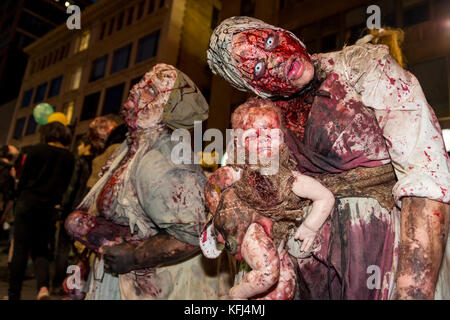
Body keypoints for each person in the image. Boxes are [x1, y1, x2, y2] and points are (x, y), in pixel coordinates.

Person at [207, 16, 449, 300]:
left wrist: (413, 290)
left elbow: (424, 173)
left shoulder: (362, 66)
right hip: (305, 262)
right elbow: (244, 183)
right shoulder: (261, 118)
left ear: (281, 30)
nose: (277, 60)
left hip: (382, 250)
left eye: (270, 41)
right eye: (258, 67)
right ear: (253, 86)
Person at [65, 63, 231, 300]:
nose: (136, 89)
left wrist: (135, 256)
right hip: (126, 282)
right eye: (142, 82)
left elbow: (198, 233)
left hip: (160, 287)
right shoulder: (132, 147)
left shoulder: (161, 162)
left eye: (151, 91)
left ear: (164, 111)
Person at [201, 98, 335, 299]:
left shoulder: (290, 179)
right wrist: (219, 216)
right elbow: (212, 185)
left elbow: (325, 196)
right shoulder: (239, 172)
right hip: (249, 230)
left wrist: (309, 227)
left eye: (269, 132)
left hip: (279, 241)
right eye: (252, 136)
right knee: (268, 273)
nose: (262, 139)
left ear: (282, 138)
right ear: (238, 141)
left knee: (284, 289)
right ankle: (235, 296)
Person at [8, 122, 75, 300]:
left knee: (20, 250)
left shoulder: (36, 150)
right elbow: (65, 186)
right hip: (49, 208)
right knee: (41, 249)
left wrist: (17, 193)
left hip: (28, 203)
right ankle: (43, 288)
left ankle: (14, 294)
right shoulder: (69, 157)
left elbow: (25, 179)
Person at [52, 135, 94, 295]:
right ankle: (75, 285)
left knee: (62, 249)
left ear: (86, 145)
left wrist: (63, 209)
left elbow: (72, 187)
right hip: (87, 213)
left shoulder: (81, 162)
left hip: (73, 212)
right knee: (79, 253)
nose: (78, 148)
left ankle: (58, 285)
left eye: (80, 145)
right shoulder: (100, 160)